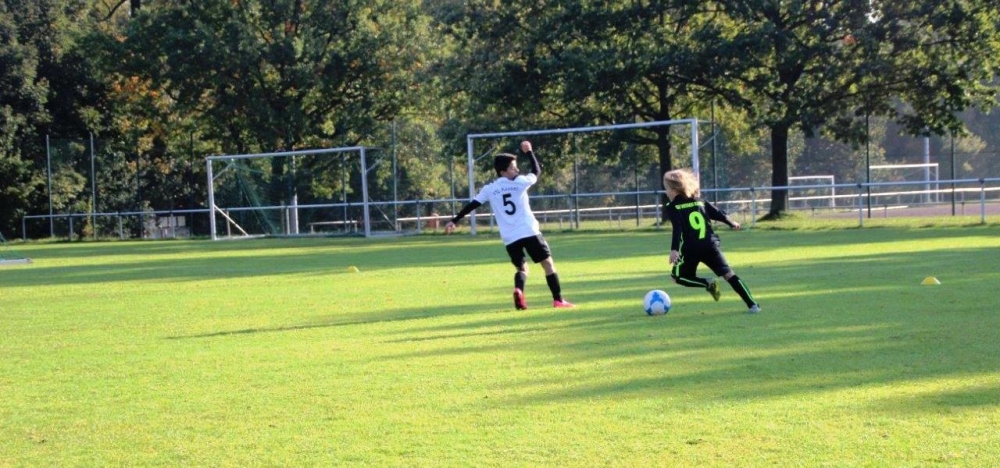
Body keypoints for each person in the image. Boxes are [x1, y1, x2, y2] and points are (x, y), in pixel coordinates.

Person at [445, 140, 574, 310]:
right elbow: (536, 171)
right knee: (548, 264)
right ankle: (558, 300)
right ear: (503, 171)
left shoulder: (490, 188)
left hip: (510, 237)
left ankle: (519, 290)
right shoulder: (520, 182)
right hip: (529, 231)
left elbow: (472, 205)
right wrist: (529, 152)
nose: (517, 170)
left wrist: (454, 220)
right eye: (513, 167)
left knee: (523, 269)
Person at [662, 168, 761, 314]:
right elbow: (719, 214)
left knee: (677, 277)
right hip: (710, 245)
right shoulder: (700, 202)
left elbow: (678, 228)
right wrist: (732, 223)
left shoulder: (672, 207)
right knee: (729, 274)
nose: (666, 193)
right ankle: (753, 305)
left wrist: (674, 250)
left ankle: (707, 282)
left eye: (667, 189)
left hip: (691, 248)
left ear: (674, 189)